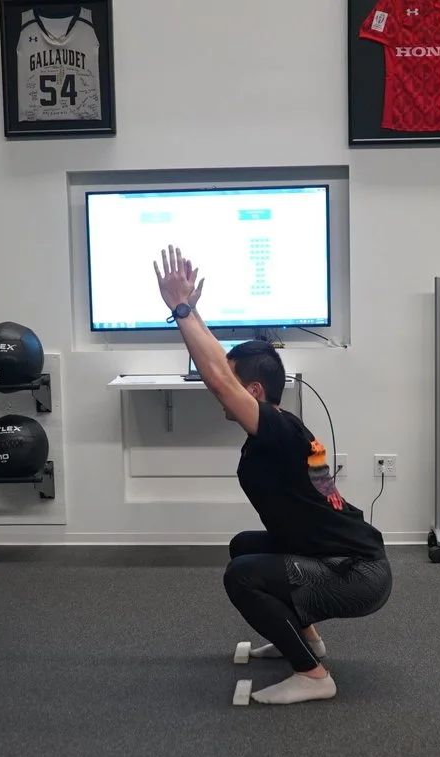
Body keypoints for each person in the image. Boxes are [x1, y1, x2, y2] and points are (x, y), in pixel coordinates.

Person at [152, 245, 392, 705]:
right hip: (344, 558)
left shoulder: (276, 428)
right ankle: (308, 641)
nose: (220, 392)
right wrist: (195, 313)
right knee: (244, 546)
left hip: (357, 575)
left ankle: (314, 675)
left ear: (256, 392)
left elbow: (219, 379)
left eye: (233, 385)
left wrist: (180, 310)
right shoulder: (284, 428)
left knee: (242, 575)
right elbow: (224, 372)